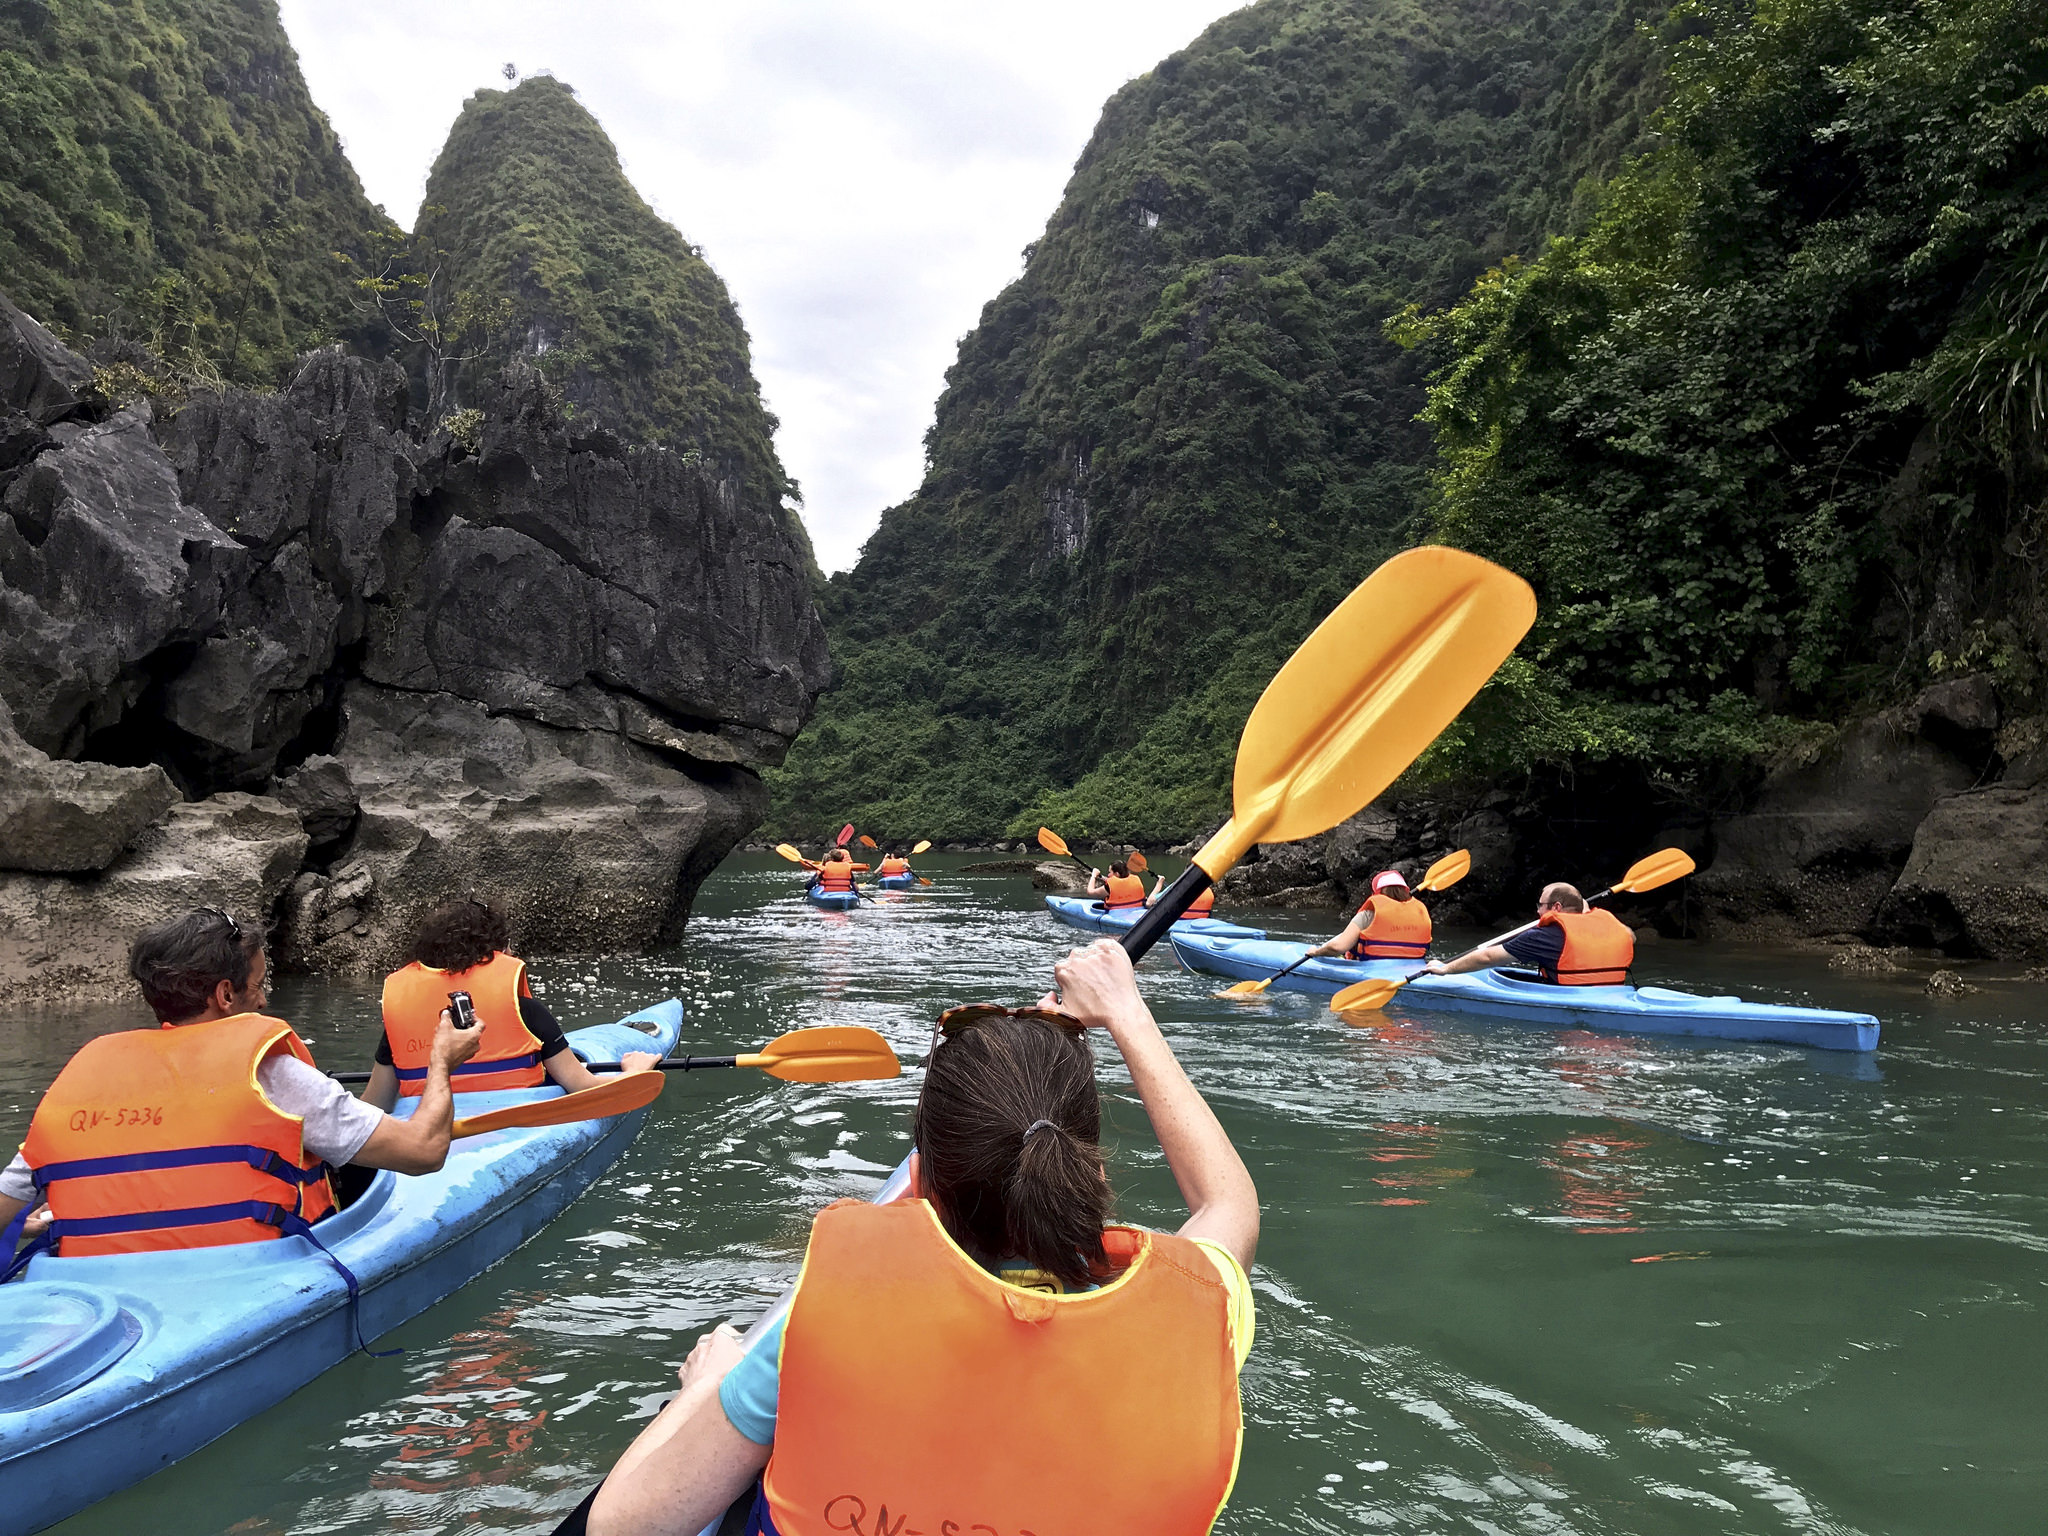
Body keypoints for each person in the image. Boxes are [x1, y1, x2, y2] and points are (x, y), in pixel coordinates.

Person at [579, 940, 1259, 1536]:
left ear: (925, 1176)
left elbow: (623, 1525)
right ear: (1094, 1168)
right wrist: (1127, 1014)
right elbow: (1229, 1201)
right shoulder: (1201, 1313)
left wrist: (711, 1384)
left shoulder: (825, 1321)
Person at [0, 907, 482, 1267]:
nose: (266, 997)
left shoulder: (87, 1080)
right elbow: (423, 1151)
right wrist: (442, 1060)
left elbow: (7, 1205)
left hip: (98, 1284)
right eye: (258, 984)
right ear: (225, 995)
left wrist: (44, 1223)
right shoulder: (271, 1073)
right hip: (246, 1279)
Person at [367, 898, 656, 1107]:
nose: (513, 951)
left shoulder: (401, 1017)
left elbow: (374, 1105)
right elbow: (583, 1087)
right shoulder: (527, 1011)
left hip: (425, 1127)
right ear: (495, 952)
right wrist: (634, 1071)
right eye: (508, 945)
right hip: (513, 1121)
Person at [1425, 882, 1635, 985]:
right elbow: (1629, 936)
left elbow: (1487, 956)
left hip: (1569, 997)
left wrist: (1446, 969)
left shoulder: (1543, 937)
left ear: (1557, 907)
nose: (1538, 911)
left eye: (1541, 905)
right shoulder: (1613, 925)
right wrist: (1586, 913)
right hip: (1613, 992)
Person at [1308, 869, 1433, 960]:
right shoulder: (1421, 912)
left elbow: (1338, 947)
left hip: (1371, 970)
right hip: (1411, 971)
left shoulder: (1368, 915)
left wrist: (1316, 952)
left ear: (1376, 893)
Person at [1145, 868, 1217, 918]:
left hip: (1180, 922)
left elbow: (1149, 903)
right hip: (1202, 922)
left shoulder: (1179, 887)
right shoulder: (1208, 890)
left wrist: (1159, 883)